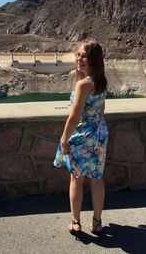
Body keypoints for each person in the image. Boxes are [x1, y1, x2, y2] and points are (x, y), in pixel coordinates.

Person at [53, 40, 108, 238]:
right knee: (97, 178)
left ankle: (76, 222)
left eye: (84, 55)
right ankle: (97, 223)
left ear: (94, 59)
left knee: (76, 179)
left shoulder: (83, 84)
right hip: (99, 133)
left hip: (83, 135)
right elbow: (102, 109)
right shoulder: (100, 81)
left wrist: (64, 138)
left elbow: (74, 116)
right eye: (77, 55)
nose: (79, 59)